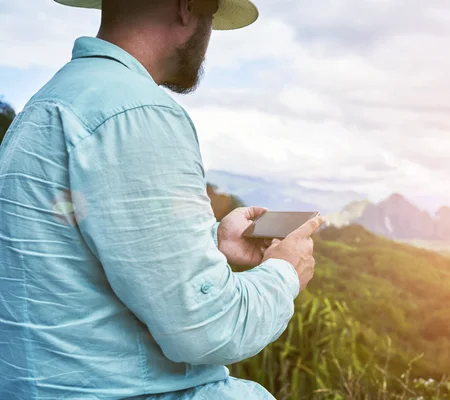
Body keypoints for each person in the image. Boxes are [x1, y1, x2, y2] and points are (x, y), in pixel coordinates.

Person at [0, 0, 325, 398]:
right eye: (211, 17)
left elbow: (86, 254)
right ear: (187, 8)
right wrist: (283, 272)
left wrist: (214, 245)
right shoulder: (136, 111)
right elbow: (208, 329)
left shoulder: (51, 101)